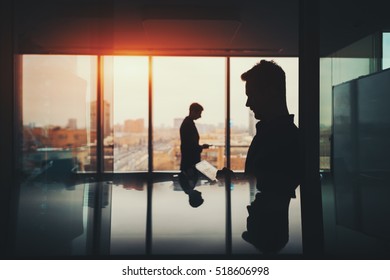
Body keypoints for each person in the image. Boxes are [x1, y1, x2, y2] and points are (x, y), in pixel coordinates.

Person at [219, 60, 302, 253]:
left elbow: (271, 186)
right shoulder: (280, 134)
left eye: (251, 95)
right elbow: (269, 181)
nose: (248, 103)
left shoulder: (279, 137)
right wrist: (239, 179)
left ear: (270, 92)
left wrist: (241, 181)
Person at [178, 102, 210, 207]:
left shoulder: (187, 123)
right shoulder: (188, 124)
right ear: (193, 111)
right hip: (190, 163)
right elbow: (190, 146)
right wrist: (201, 147)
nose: (200, 116)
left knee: (212, 174)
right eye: (199, 113)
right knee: (212, 174)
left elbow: (189, 145)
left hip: (189, 163)